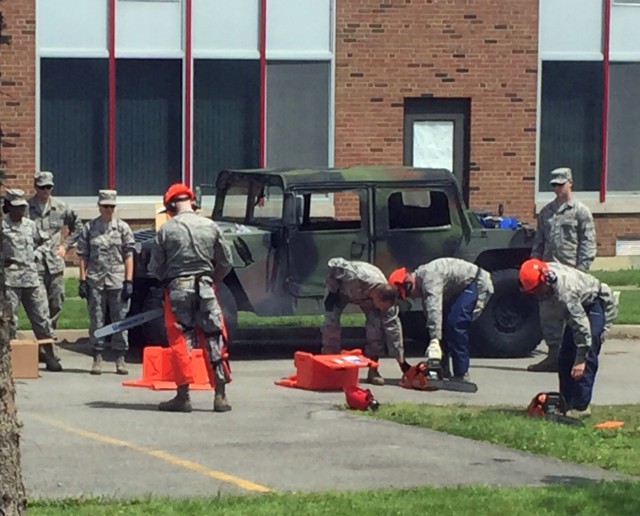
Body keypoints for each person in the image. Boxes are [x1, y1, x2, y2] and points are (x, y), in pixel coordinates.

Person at [148, 183, 233, 413]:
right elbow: (226, 262)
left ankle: (183, 396)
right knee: (214, 336)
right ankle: (220, 395)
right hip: (206, 288)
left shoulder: (166, 230)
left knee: (180, 341)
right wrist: (211, 279)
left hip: (177, 289)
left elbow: (155, 268)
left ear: (171, 206)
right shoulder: (211, 226)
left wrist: (169, 279)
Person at [519, 259, 617, 418]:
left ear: (545, 280)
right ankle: (565, 402)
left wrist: (580, 359)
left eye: (538, 289)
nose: (536, 293)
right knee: (564, 357)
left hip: (593, 304)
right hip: (577, 307)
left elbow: (581, 326)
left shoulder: (566, 292)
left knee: (586, 356)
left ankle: (580, 407)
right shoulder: (543, 277)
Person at [529, 167, 596, 373]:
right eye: (554, 185)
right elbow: (539, 241)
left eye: (561, 183)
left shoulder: (580, 211)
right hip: (548, 274)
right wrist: (534, 266)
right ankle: (553, 356)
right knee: (549, 316)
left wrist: (582, 270)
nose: (557, 188)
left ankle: (576, 358)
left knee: (573, 316)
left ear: (570, 182)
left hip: (571, 273)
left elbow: (588, 242)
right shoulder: (546, 212)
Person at [388, 257, 493, 382]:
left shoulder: (429, 279)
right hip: (459, 289)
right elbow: (432, 317)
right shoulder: (423, 280)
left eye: (409, 294)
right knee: (442, 325)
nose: (413, 297)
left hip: (475, 283)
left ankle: (461, 373)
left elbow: (434, 308)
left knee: (455, 325)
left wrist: (434, 340)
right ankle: (442, 368)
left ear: (409, 284)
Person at [321, 258, 410, 386]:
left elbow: (393, 328)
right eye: (382, 306)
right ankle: (330, 366)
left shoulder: (386, 302)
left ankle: (373, 370)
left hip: (366, 299)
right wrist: (333, 288)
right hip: (341, 292)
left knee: (376, 328)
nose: (384, 310)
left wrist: (401, 362)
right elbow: (333, 263)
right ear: (378, 298)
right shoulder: (357, 276)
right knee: (331, 324)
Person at [76, 190, 135, 375]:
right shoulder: (90, 228)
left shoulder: (123, 228)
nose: (109, 210)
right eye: (105, 206)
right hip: (96, 279)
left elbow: (128, 255)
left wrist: (129, 280)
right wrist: (83, 280)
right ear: (99, 206)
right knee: (97, 319)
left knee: (120, 319)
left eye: (111, 206)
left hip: (117, 279)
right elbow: (83, 256)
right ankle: (97, 356)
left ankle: (120, 358)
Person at [2, 189, 62, 371]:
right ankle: (9, 359)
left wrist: (35, 255)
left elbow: (47, 242)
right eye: (17, 207)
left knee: (42, 318)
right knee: (10, 320)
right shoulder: (2, 226)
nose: (21, 211)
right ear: (8, 207)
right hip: (9, 281)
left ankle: (50, 355)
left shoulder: (30, 225)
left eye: (23, 207)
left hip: (31, 279)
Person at [28, 171, 83, 331]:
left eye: (48, 187)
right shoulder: (26, 208)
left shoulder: (61, 207)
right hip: (35, 263)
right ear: (35, 187)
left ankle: (49, 334)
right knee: (39, 304)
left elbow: (78, 226)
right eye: (42, 187)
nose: (45, 191)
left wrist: (65, 246)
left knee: (56, 302)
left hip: (54, 263)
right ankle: (45, 338)